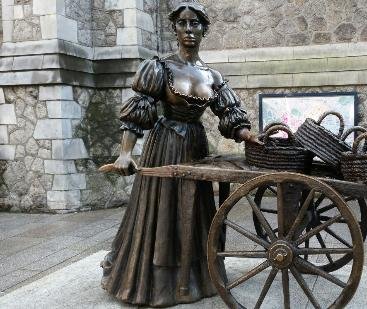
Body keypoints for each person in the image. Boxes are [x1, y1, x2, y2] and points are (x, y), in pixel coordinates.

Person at [100, 2, 260, 307]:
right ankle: (153, 283)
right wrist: (125, 154)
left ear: (204, 30)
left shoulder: (212, 75)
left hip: (196, 145)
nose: (189, 30)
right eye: (183, 24)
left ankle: (196, 278)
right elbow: (137, 113)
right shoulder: (159, 67)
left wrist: (249, 135)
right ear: (175, 29)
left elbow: (228, 114)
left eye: (195, 24)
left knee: (194, 209)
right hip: (165, 146)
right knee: (161, 210)